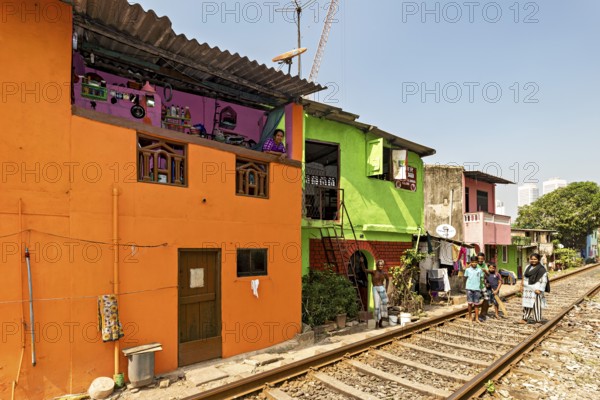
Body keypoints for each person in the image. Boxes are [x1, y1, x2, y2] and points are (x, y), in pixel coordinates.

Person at [518, 253, 549, 324]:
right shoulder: (527, 267)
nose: (533, 260)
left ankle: (537, 319)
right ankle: (524, 319)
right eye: (531, 259)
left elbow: (544, 280)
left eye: (535, 259)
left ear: (538, 260)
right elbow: (524, 276)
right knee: (526, 305)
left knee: (536, 305)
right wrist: (521, 286)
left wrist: (540, 289)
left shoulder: (542, 269)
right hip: (527, 289)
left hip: (536, 289)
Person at [361, 259, 389, 329]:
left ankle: (380, 323)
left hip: (382, 289)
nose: (380, 266)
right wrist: (362, 262)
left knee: (383, 306)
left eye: (381, 265)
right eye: (379, 265)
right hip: (375, 289)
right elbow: (364, 270)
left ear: (383, 266)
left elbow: (388, 280)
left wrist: (386, 288)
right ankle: (376, 323)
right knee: (377, 306)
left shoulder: (384, 273)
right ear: (377, 265)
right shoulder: (373, 272)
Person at [464, 255, 484, 324]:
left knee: (476, 304)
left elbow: (481, 278)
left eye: (475, 262)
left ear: (477, 262)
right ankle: (470, 317)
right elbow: (465, 277)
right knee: (470, 304)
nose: (474, 263)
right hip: (469, 288)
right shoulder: (467, 269)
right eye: (473, 262)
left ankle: (477, 318)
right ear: (471, 262)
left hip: (477, 289)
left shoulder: (479, 270)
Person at [477, 253, 490, 320]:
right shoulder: (475, 264)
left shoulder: (484, 265)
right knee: (476, 301)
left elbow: (488, 274)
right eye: (479, 258)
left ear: (483, 259)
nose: (480, 260)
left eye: (481, 259)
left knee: (487, 298)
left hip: (482, 285)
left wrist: (485, 271)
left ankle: (483, 314)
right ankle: (476, 316)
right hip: (475, 286)